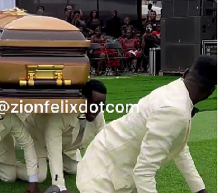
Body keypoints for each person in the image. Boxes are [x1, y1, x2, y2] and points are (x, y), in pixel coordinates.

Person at [76, 56, 217, 193]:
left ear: (186, 73)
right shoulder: (175, 109)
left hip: (109, 162)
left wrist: (199, 189)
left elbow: (179, 147)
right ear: (211, 91)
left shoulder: (176, 91)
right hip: (100, 175)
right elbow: (144, 172)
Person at [22, 80, 107, 193]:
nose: (97, 109)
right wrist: (60, 187)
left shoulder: (98, 114)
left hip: (64, 146)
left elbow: (106, 141)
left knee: (76, 169)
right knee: (41, 175)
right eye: (94, 104)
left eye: (101, 105)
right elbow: (54, 150)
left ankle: (50, 162)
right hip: (38, 138)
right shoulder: (60, 115)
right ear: (82, 101)